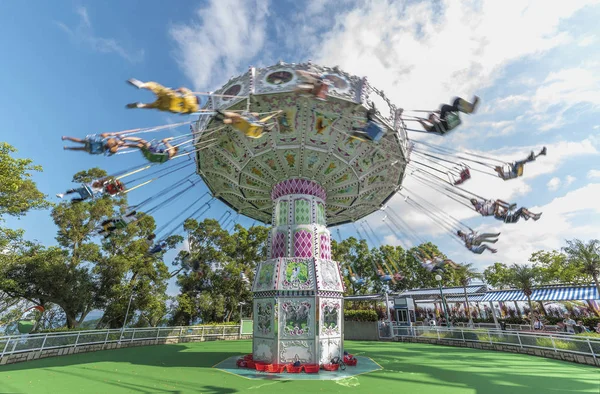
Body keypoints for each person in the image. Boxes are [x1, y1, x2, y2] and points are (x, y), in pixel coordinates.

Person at [126, 79, 200, 114]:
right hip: (168, 107)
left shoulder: (190, 94)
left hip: (172, 97)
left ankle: (142, 85)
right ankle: (140, 105)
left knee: (154, 86)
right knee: (152, 106)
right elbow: (184, 113)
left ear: (195, 98)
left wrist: (176, 90)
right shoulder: (194, 108)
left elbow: (182, 89)